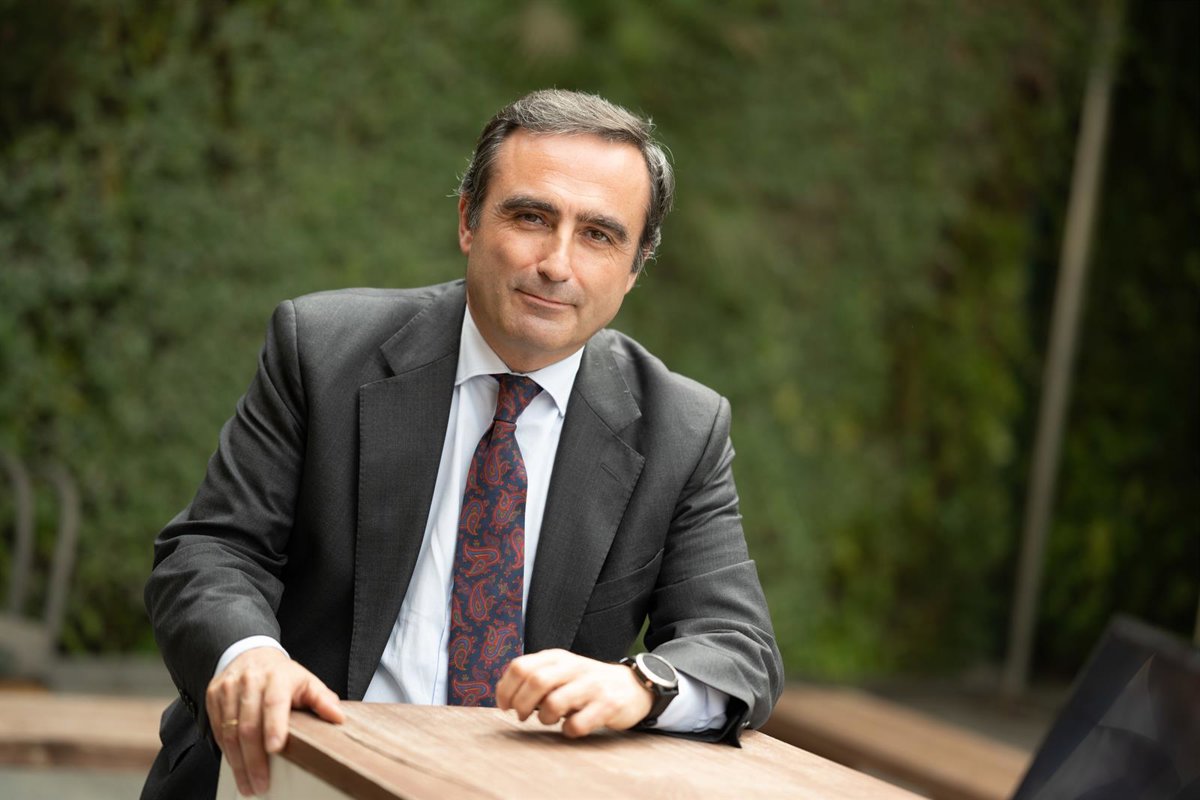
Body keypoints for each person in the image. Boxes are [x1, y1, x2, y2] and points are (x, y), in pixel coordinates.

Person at [142, 89, 782, 799]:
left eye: (599, 235)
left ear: (635, 267)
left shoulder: (680, 429)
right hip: (290, 770)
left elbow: (737, 646)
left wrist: (640, 685)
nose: (557, 264)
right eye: (532, 217)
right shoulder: (321, 351)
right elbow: (211, 550)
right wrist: (249, 655)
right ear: (468, 221)